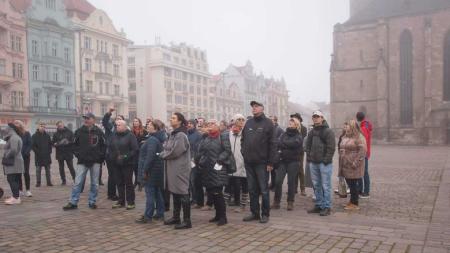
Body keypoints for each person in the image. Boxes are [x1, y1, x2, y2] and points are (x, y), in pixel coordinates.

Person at [241, 101, 277, 224]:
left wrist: (271, 162)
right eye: (253, 107)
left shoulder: (268, 123)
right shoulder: (249, 122)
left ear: (262, 108)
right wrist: (244, 153)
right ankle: (254, 213)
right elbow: (243, 139)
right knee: (252, 189)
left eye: (256, 106)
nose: (254, 108)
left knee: (264, 189)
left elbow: (273, 144)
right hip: (249, 162)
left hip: (262, 163)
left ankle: (265, 214)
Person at [63, 113, 106, 210]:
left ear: (93, 120)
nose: (86, 120)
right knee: (78, 182)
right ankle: (73, 202)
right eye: (85, 118)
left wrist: (100, 156)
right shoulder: (79, 131)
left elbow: (104, 146)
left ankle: (92, 201)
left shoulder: (99, 132)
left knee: (94, 183)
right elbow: (73, 145)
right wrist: (78, 154)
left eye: (88, 118)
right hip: (82, 161)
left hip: (95, 161)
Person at [195, 119, 234, 226]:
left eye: (213, 124)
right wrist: (203, 136)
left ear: (218, 126)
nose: (210, 125)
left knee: (218, 193)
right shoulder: (206, 138)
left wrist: (219, 160)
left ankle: (223, 217)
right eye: (209, 124)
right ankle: (217, 215)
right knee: (211, 192)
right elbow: (200, 150)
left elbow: (227, 151)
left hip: (218, 169)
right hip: (207, 170)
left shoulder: (222, 136)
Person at [161, 113, 192, 229]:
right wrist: (165, 152)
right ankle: (176, 217)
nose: (170, 119)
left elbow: (176, 151)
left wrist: (163, 155)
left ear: (179, 121)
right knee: (175, 192)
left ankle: (187, 221)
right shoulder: (172, 134)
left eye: (173, 118)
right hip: (172, 167)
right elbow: (166, 146)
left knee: (183, 193)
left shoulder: (181, 135)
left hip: (180, 169)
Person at [305, 111, 336, 216]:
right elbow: (307, 146)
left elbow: (331, 148)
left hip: (324, 164)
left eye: (317, 117)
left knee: (325, 185)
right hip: (313, 163)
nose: (315, 118)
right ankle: (319, 205)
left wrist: (326, 160)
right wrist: (309, 157)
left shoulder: (328, 131)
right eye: (314, 117)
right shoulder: (311, 132)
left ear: (322, 118)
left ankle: (327, 207)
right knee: (316, 185)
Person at [136, 120, 167, 223]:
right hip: (156, 170)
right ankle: (160, 213)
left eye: (149, 125)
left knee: (150, 193)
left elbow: (150, 156)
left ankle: (147, 216)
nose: (147, 126)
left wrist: (145, 170)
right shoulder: (154, 138)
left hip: (151, 171)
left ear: (155, 128)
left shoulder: (152, 139)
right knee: (157, 193)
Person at [272, 117, 303, 211]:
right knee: (278, 181)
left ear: (296, 125)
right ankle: (276, 202)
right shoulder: (283, 134)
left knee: (291, 183)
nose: (290, 122)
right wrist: (287, 144)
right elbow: (278, 143)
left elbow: (295, 144)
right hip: (282, 161)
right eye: (290, 121)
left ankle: (290, 202)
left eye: (292, 122)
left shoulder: (299, 135)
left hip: (294, 162)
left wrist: (284, 144)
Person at [110, 120, 139, 210]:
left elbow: (135, 149)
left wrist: (125, 156)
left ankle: (131, 202)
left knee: (128, 183)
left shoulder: (130, 136)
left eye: (119, 125)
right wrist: (112, 156)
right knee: (119, 182)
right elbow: (110, 147)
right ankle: (121, 201)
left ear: (124, 126)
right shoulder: (114, 135)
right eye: (116, 125)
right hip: (116, 163)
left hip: (127, 163)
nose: (117, 126)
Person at [339, 120, 367, 211]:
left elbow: (362, 151)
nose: (346, 127)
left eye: (348, 126)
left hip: (353, 165)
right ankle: (352, 201)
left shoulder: (359, 137)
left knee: (353, 184)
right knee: (350, 184)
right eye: (346, 126)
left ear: (353, 127)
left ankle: (355, 203)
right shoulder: (345, 136)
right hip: (345, 164)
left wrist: (355, 162)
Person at [227, 114, 248, 213]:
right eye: (234, 125)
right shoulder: (228, 134)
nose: (236, 127)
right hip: (230, 164)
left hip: (243, 164)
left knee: (244, 185)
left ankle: (242, 205)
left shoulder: (246, 134)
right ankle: (224, 203)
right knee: (227, 184)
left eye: (242, 121)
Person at [102, 108, 123, 201]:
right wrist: (109, 113)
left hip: (119, 155)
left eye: (120, 119)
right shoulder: (111, 127)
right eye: (117, 118)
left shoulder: (124, 130)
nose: (118, 120)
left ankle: (115, 193)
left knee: (117, 175)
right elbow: (104, 121)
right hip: (110, 154)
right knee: (112, 174)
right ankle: (111, 194)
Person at [2, 123, 24, 205]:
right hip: (15, 161)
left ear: (11, 129)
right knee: (14, 179)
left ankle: (16, 198)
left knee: (11, 179)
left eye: (6, 127)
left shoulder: (14, 137)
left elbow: (14, 150)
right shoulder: (13, 137)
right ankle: (15, 196)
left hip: (14, 162)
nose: (5, 128)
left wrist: (6, 156)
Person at [52, 121, 75, 185]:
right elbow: (53, 143)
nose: (60, 127)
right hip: (60, 153)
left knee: (71, 167)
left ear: (63, 125)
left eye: (61, 125)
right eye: (59, 126)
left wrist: (68, 142)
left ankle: (75, 178)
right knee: (61, 168)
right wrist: (58, 143)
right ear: (57, 126)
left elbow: (73, 141)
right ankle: (63, 180)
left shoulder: (69, 132)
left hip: (68, 152)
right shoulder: (56, 134)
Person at [187, 119, 203, 208]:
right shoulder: (186, 134)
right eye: (188, 123)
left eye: (190, 123)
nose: (189, 125)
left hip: (194, 161)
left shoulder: (198, 135)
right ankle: (192, 199)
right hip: (186, 160)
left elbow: (198, 148)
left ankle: (197, 200)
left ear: (194, 125)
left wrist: (194, 159)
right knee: (189, 182)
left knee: (194, 182)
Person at [290, 113, 308, 196]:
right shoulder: (290, 128)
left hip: (300, 152)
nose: (293, 120)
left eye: (294, 118)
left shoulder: (303, 128)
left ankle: (303, 189)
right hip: (292, 152)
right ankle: (294, 188)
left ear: (299, 120)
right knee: (293, 170)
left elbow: (301, 140)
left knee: (300, 170)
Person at [14, 120, 32, 197]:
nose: (16, 125)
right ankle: (20, 190)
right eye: (14, 123)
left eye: (17, 123)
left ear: (21, 124)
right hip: (17, 157)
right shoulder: (14, 134)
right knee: (18, 173)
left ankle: (28, 190)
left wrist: (26, 152)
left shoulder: (27, 133)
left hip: (25, 156)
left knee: (26, 173)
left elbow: (29, 144)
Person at [356, 112, 372, 199]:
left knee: (364, 172)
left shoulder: (363, 127)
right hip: (365, 152)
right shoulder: (365, 125)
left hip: (364, 153)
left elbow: (362, 141)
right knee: (361, 172)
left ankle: (366, 192)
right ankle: (360, 190)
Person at [32, 123, 53, 187]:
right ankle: (38, 183)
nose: (43, 128)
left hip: (47, 156)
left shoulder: (47, 136)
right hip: (38, 156)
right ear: (38, 127)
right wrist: (38, 152)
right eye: (41, 126)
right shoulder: (34, 136)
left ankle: (49, 182)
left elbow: (50, 145)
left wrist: (49, 152)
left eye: (44, 127)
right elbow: (33, 146)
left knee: (48, 171)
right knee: (38, 171)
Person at [269, 116, 284, 191]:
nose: (270, 121)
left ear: (275, 121)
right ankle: (272, 184)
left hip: (276, 152)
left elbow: (281, 140)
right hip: (271, 151)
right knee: (271, 169)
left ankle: (276, 186)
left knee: (276, 171)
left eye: (271, 120)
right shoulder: (270, 128)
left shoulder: (279, 129)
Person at [131, 118, 148, 186]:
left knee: (141, 166)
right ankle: (136, 181)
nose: (135, 122)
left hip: (141, 151)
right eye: (134, 121)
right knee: (135, 166)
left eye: (136, 121)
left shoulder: (144, 131)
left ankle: (141, 181)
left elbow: (147, 139)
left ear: (139, 122)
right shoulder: (131, 131)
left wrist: (144, 142)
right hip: (134, 152)